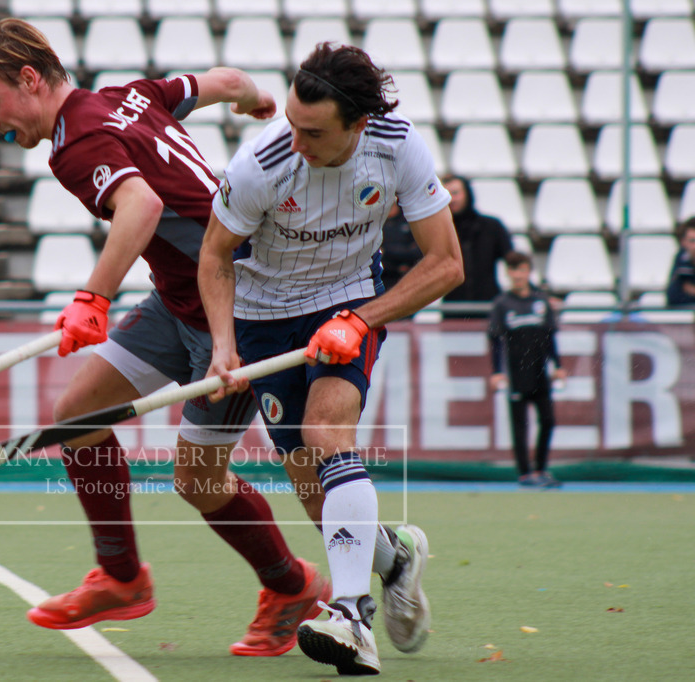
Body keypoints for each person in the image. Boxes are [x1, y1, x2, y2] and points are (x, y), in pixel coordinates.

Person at [0, 18, 332, 657]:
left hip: (237, 311)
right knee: (77, 415)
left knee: (198, 479)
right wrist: (251, 100)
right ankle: (122, 577)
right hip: (178, 299)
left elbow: (142, 207)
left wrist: (92, 300)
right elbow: (225, 81)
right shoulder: (128, 94)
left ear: (28, 78)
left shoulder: (75, 145)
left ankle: (291, 586)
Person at [199, 43, 464, 675]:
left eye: (312, 131)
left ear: (357, 125)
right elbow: (214, 256)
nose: (295, 140)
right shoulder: (261, 163)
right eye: (290, 123)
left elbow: (447, 263)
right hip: (263, 319)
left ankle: (350, 616)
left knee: (326, 433)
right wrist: (222, 348)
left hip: (351, 299)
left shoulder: (397, 146)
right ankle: (395, 559)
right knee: (314, 492)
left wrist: (359, 319)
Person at [488, 251, 567, 488]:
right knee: (520, 425)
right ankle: (525, 473)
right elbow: (495, 340)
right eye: (513, 270)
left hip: (540, 371)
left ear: (528, 271)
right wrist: (497, 371)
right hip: (516, 373)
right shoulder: (502, 304)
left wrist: (559, 366)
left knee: (548, 420)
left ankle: (541, 468)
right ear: (508, 273)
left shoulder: (541, 301)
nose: (518, 275)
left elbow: (549, 337)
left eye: (521, 269)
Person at [441, 174, 512, 318]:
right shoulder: (440, 230)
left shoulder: (492, 227)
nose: (452, 199)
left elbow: (513, 261)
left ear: (467, 194)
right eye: (446, 195)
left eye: (455, 193)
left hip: (488, 308)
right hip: (453, 310)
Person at [380, 203, 422, 292]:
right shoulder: (376, 223)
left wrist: (387, 252)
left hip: (410, 279)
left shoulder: (410, 218)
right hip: (382, 279)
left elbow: (419, 252)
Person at [666, 217, 695, 306]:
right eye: (692, 241)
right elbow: (673, 297)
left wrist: (691, 290)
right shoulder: (681, 259)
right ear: (683, 242)